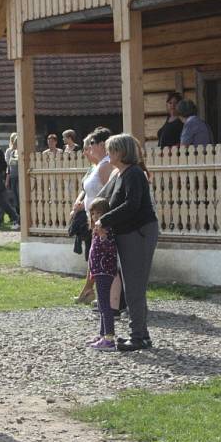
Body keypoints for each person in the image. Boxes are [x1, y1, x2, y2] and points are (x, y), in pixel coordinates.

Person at [95, 134, 159, 351]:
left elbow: (132, 205)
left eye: (111, 150)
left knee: (134, 287)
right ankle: (142, 334)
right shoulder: (120, 174)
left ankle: (138, 336)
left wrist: (104, 219)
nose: (108, 154)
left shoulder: (134, 174)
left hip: (138, 232)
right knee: (132, 286)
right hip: (127, 233)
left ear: (121, 152)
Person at [70, 127, 113, 304]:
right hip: (93, 218)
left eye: (92, 144)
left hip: (101, 218)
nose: (90, 148)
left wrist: (102, 218)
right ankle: (88, 290)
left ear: (102, 144)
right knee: (94, 256)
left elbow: (107, 195)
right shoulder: (98, 165)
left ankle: (98, 292)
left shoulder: (105, 165)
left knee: (100, 257)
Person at [85, 197, 122, 351]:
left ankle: (109, 338)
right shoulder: (95, 231)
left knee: (105, 305)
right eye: (93, 214)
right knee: (101, 304)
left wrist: (103, 236)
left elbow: (111, 249)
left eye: (98, 213)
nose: (95, 217)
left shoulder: (107, 231)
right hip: (98, 271)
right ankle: (102, 334)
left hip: (105, 271)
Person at [4, 133, 20, 216]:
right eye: (15, 142)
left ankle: (21, 217)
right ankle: (17, 217)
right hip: (12, 178)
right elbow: (8, 168)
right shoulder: (12, 152)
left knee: (20, 198)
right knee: (14, 199)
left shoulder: (22, 153)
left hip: (20, 178)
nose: (16, 144)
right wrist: (7, 180)